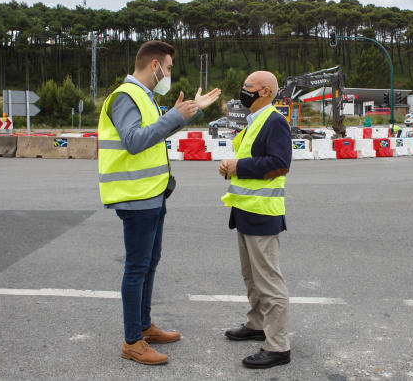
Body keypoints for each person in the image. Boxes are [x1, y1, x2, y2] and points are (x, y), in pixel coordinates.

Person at [98, 40, 220, 365]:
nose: (168, 74)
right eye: (167, 68)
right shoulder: (125, 96)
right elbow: (135, 141)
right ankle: (132, 341)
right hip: (136, 197)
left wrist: (189, 111)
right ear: (154, 65)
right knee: (137, 268)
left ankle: (144, 326)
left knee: (150, 263)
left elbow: (156, 132)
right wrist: (174, 116)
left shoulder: (146, 97)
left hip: (153, 193)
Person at [218, 70, 292, 369]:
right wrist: (230, 167)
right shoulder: (254, 120)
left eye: (247, 88)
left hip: (262, 214)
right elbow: (249, 161)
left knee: (269, 282)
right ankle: (257, 323)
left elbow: (280, 164)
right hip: (246, 210)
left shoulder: (275, 121)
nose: (242, 91)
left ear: (264, 91)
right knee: (251, 277)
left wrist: (238, 165)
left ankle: (278, 346)